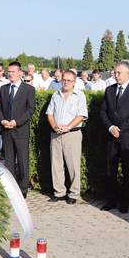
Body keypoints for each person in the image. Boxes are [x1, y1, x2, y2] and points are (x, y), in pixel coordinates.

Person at [100, 62, 129, 213]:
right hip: (112, 136)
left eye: (119, 73)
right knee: (110, 170)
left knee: (128, 171)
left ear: (128, 74)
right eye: (115, 72)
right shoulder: (109, 90)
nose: (116, 75)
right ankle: (111, 200)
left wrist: (121, 129)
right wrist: (111, 127)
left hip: (128, 137)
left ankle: (125, 202)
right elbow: (103, 112)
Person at [46, 70, 88, 205]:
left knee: (73, 165)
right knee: (56, 164)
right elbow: (49, 114)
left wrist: (68, 127)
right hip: (56, 133)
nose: (66, 82)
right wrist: (54, 126)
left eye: (69, 80)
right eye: (64, 79)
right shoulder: (55, 95)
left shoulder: (79, 96)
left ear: (74, 82)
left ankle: (74, 193)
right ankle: (59, 192)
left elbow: (81, 115)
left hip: (72, 134)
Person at [0, 61, 36, 198]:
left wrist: (16, 122)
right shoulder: (4, 88)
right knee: (9, 162)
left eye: (13, 72)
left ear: (20, 73)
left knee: (23, 161)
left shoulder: (29, 89)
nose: (10, 74)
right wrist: (2, 120)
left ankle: (23, 188)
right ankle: (11, 187)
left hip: (21, 131)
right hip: (6, 131)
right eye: (9, 72)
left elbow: (30, 110)